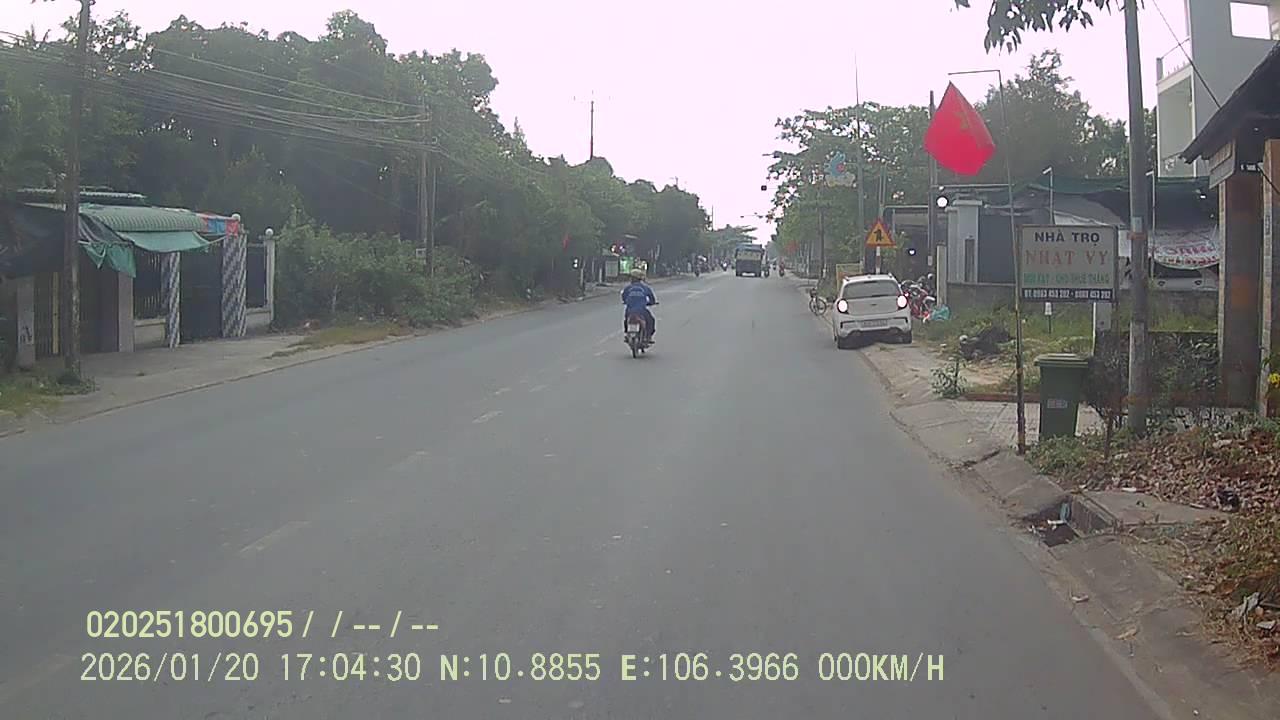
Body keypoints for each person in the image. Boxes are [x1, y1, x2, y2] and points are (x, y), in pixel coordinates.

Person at [621, 268, 657, 342]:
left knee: (626, 319)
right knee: (651, 320)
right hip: (642, 311)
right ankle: (648, 337)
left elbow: (624, 297)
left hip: (630, 310)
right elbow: (651, 297)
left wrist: (626, 301)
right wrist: (652, 302)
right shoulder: (645, 288)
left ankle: (627, 334)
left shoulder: (628, 288)